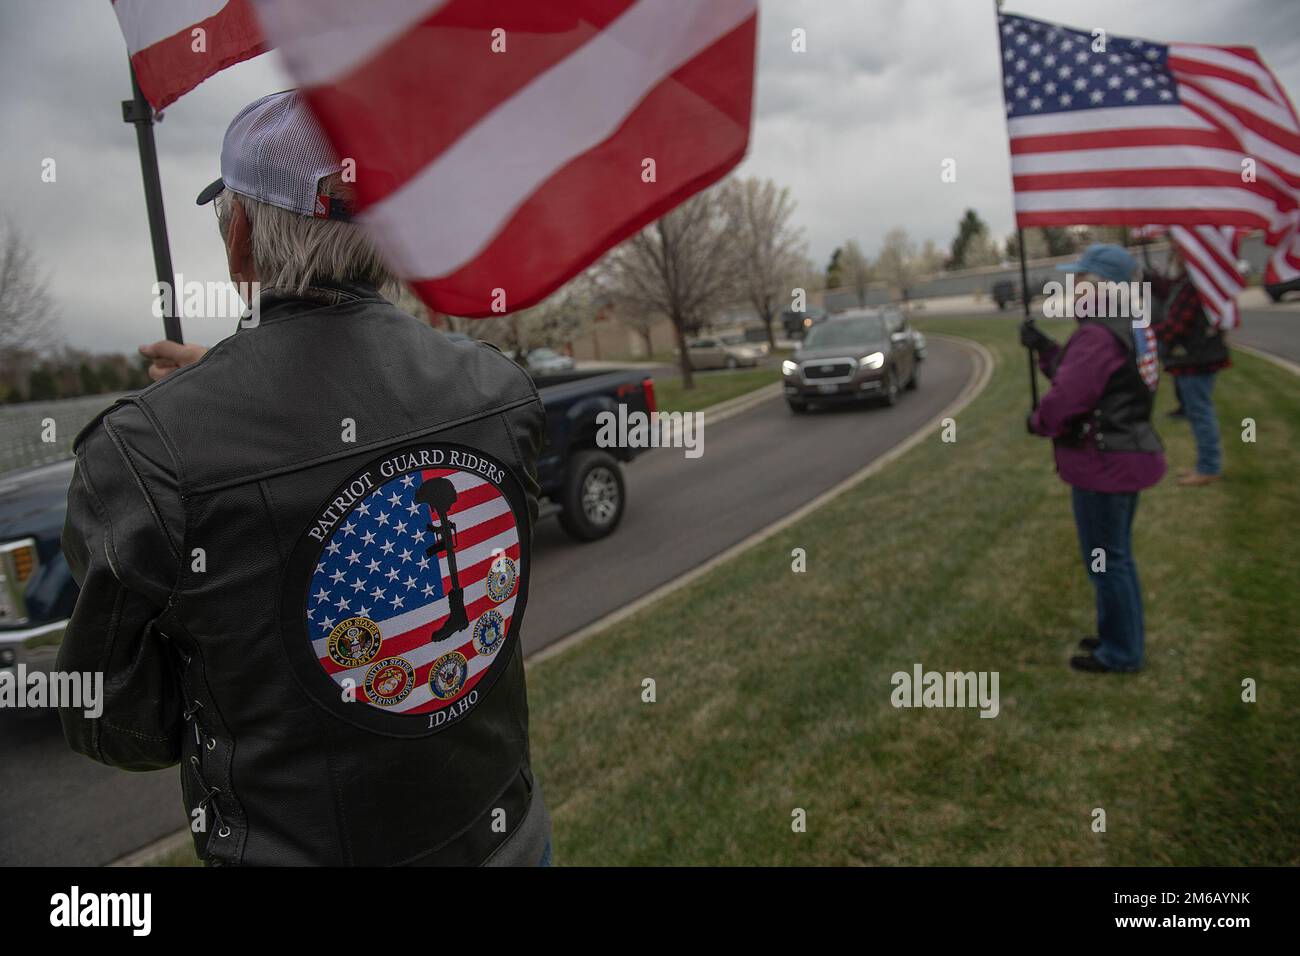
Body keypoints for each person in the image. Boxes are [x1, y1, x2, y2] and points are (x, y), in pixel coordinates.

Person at [57, 91, 552, 866]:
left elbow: (110, 721)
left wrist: (190, 422)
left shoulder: (145, 455)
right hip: (506, 835)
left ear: (241, 239)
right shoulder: (498, 389)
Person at [1020, 244, 1166, 673]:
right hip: (1126, 453)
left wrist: (1039, 421)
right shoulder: (1129, 322)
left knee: (1107, 560)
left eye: (1080, 279)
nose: (1074, 285)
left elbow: (1069, 397)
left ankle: (1121, 652)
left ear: (1102, 286)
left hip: (1105, 462)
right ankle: (1118, 636)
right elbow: (1085, 376)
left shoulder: (1098, 333)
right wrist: (1045, 349)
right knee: (1115, 557)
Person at [1146, 248, 1230, 486]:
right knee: (1198, 413)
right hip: (1194, 357)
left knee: (1200, 414)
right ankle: (1206, 463)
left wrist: (1145, 333)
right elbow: (1169, 292)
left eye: (1178, 251)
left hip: (1195, 358)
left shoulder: (1194, 286)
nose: (1174, 256)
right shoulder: (1187, 283)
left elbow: (1176, 327)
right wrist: (1152, 280)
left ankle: (1209, 467)